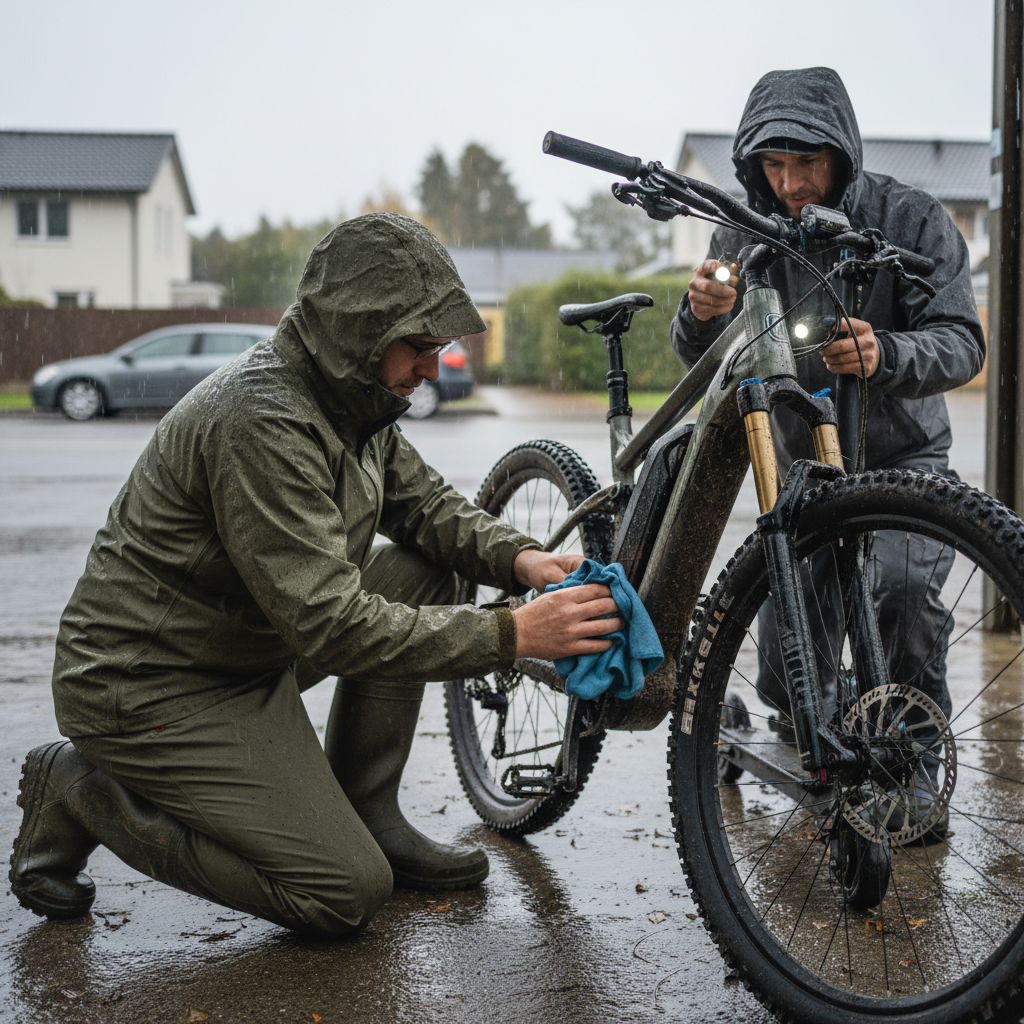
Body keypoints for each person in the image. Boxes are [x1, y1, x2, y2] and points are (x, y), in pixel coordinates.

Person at [10, 213, 623, 937]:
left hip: (245, 646)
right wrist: (512, 633)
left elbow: (423, 505)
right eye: (420, 346)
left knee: (430, 567)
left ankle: (368, 809)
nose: (431, 368)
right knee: (341, 892)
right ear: (357, 331)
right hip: (148, 682)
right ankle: (82, 790)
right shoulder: (263, 419)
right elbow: (331, 627)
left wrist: (520, 557)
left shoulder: (355, 399)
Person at [671, 67, 985, 836]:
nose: (791, 184)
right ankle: (849, 724)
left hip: (903, 467)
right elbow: (702, 358)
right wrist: (698, 314)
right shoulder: (742, 230)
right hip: (803, 476)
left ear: (842, 153)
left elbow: (963, 342)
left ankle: (910, 772)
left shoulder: (913, 219)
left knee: (902, 599)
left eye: (806, 164)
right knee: (787, 673)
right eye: (773, 167)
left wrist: (889, 355)